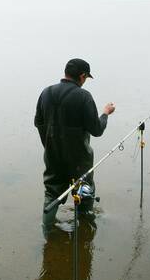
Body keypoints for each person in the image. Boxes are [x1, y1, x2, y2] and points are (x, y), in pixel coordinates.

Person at [34, 58, 115, 222]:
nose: (85, 81)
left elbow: (38, 123)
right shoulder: (84, 96)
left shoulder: (46, 93)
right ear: (82, 75)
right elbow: (97, 130)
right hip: (79, 160)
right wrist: (105, 113)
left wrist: (49, 146)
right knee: (85, 192)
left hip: (53, 157)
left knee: (51, 194)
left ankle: (47, 233)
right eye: (86, 78)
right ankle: (85, 229)